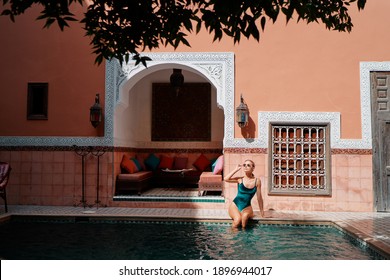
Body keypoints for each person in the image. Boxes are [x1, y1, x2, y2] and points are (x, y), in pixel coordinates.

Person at [224, 159, 264, 228]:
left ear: (253, 168)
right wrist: (236, 169)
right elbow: (226, 179)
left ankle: (244, 236)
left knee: (244, 219)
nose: (245, 166)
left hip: (247, 207)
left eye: (248, 165)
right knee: (237, 221)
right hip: (235, 205)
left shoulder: (257, 181)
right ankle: (233, 237)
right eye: (244, 165)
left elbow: (259, 198)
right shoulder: (240, 179)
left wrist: (262, 213)